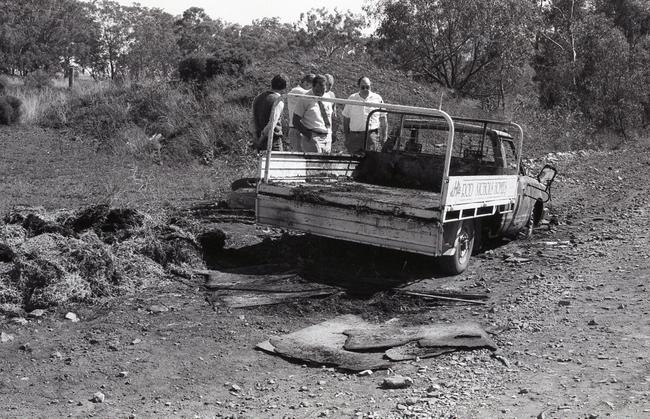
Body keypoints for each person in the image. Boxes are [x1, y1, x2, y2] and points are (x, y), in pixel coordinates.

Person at [342, 76, 388, 154]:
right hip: (354, 137)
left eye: (367, 87)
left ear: (370, 86)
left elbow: (383, 118)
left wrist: (384, 137)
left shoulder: (377, 98)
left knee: (371, 163)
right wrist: (347, 137)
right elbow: (346, 119)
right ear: (358, 87)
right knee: (353, 163)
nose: (365, 89)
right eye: (363, 87)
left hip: (371, 137)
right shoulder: (351, 98)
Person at [292, 75, 332, 153]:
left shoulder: (328, 97)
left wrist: (330, 134)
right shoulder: (305, 98)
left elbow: (330, 116)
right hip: (313, 137)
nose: (320, 93)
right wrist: (309, 135)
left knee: (325, 164)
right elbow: (295, 120)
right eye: (317, 90)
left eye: (323, 90)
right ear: (313, 86)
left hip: (327, 137)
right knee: (313, 164)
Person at [252, 73, 289, 151]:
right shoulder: (278, 101)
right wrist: (261, 139)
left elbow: (252, 120)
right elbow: (271, 124)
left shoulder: (258, 98)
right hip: (273, 141)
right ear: (285, 87)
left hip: (258, 137)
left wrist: (256, 138)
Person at [287, 73, 315, 151]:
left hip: (302, 129)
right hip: (296, 129)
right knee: (298, 158)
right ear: (306, 83)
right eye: (313, 87)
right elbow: (313, 95)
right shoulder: (296, 91)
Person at [323, 74, 337, 153]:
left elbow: (334, 114)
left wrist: (334, 131)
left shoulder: (332, 95)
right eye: (327, 84)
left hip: (328, 127)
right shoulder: (316, 93)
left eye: (331, 85)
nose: (329, 87)